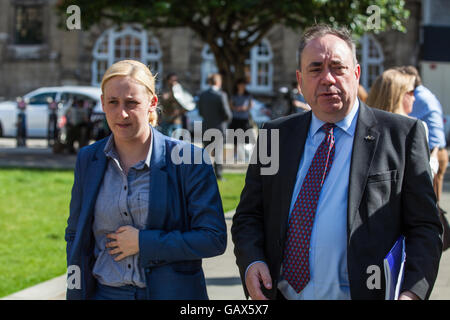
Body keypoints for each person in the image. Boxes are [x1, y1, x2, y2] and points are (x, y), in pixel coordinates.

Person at [231, 24, 442, 300]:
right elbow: (249, 216)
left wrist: (412, 293)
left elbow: (425, 227)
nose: (327, 79)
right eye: (316, 69)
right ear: (300, 80)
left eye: (338, 68)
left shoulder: (401, 135)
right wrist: (252, 261)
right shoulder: (275, 135)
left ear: (356, 74)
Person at [65, 60, 227, 300]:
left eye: (132, 103)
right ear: (102, 103)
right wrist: (75, 292)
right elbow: (75, 236)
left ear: (152, 103)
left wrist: (143, 242)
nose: (121, 113)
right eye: (113, 102)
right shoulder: (88, 159)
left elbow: (213, 238)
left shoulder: (189, 160)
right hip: (105, 294)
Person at [366, 68, 439, 176]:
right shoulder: (414, 127)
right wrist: (434, 161)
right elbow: (421, 176)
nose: (414, 98)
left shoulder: (363, 124)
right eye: (412, 92)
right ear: (398, 95)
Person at [397, 66, 448, 205]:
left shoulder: (416, 97)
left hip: (433, 151)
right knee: (433, 201)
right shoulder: (425, 93)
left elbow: (403, 118)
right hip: (438, 149)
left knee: (429, 203)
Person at [198, 73, 232, 180]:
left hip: (206, 126)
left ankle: (205, 173)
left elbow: (200, 111)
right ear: (218, 82)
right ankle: (219, 175)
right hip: (219, 127)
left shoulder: (203, 95)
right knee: (218, 152)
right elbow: (227, 114)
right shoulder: (221, 95)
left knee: (206, 152)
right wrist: (227, 120)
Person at [229, 78, 253, 161]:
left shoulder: (248, 95)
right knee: (235, 138)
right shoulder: (234, 95)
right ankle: (235, 155)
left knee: (245, 138)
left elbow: (251, 105)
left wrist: (245, 108)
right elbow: (231, 105)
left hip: (244, 119)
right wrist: (236, 108)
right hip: (236, 118)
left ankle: (244, 155)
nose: (242, 86)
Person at [159, 73, 185, 137]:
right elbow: (163, 101)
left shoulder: (180, 91)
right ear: (168, 80)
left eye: (176, 80)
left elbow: (185, 104)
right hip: (166, 121)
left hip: (177, 121)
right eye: (172, 80)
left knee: (177, 144)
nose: (174, 82)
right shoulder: (164, 91)